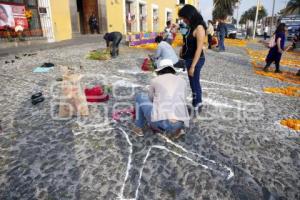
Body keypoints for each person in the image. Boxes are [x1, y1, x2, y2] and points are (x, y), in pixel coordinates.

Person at [132, 59, 189, 138]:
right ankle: (177, 131)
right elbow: (183, 99)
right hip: (179, 124)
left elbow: (150, 98)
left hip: (160, 124)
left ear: (159, 70)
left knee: (140, 96)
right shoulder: (183, 81)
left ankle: (138, 127)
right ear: (172, 69)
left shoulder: (155, 80)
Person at [178, 4, 206, 112]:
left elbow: (199, 49)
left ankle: (197, 105)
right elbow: (185, 40)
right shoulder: (190, 27)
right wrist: (182, 49)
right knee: (193, 82)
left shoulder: (199, 28)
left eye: (185, 18)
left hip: (196, 60)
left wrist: (193, 66)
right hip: (189, 58)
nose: (184, 20)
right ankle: (196, 103)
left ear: (190, 16)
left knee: (194, 83)